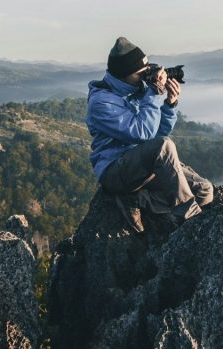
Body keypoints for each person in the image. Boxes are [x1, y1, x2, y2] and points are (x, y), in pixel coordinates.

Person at [86, 37, 214, 234]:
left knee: (204, 191)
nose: (146, 76)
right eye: (141, 73)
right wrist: (153, 94)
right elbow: (142, 133)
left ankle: (138, 200)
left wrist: (170, 105)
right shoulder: (102, 103)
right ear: (124, 74)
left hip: (143, 166)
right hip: (115, 171)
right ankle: (188, 218)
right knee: (164, 145)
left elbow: (156, 134)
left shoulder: (138, 90)